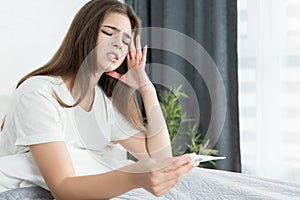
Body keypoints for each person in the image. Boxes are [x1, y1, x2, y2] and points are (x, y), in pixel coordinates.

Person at [0, 0, 196, 199]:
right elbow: (62, 188)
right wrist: (134, 177)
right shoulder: (38, 92)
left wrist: (147, 89)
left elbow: (161, 158)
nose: (119, 43)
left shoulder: (102, 103)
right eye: (109, 32)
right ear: (85, 33)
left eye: (126, 41)